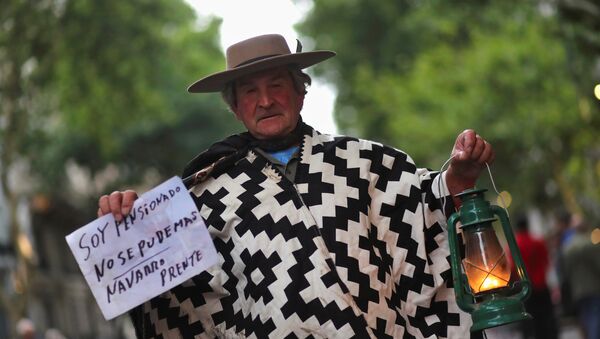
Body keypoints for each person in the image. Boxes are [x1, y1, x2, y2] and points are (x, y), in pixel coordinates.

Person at [98, 33, 494, 338]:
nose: (265, 100)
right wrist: (127, 227)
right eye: (250, 91)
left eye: (277, 86)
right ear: (235, 108)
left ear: (301, 92)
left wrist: (457, 178)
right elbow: (177, 299)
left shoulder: (368, 162)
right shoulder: (205, 197)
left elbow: (425, 211)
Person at [511, 214, 558, 339]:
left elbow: (512, 267)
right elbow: (546, 261)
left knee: (529, 321)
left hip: (526, 288)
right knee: (546, 318)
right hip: (541, 285)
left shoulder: (514, 246)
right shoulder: (538, 242)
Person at [562, 216, 600, 339]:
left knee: (585, 317)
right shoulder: (589, 244)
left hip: (577, 290)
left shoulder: (568, 247)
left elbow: (566, 270)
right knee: (595, 317)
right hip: (593, 287)